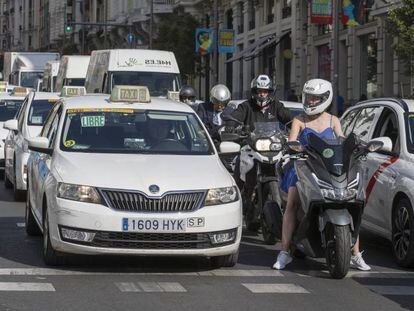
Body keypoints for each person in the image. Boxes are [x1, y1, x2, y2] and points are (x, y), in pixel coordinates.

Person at [273, 78, 370, 271]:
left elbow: (342, 140)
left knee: (350, 204)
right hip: (302, 166)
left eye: (315, 98)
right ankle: (284, 252)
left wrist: (356, 146)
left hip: (328, 169)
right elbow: (292, 141)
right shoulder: (299, 120)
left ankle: (356, 254)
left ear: (325, 98)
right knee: (292, 203)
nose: (310, 101)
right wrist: (292, 146)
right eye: (308, 97)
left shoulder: (334, 120)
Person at [225, 74, 292, 224]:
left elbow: (288, 118)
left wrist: (296, 125)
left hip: (272, 147)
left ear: (270, 92)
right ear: (254, 91)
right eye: (259, 91)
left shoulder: (276, 106)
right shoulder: (246, 106)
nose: (262, 94)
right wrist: (231, 124)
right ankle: (241, 199)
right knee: (240, 170)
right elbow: (235, 116)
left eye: (265, 91)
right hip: (251, 147)